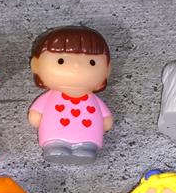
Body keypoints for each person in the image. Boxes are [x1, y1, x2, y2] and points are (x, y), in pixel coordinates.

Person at [28, 26, 113, 163]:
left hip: (88, 135)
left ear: (107, 70)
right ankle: (55, 147)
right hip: (54, 134)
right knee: (56, 145)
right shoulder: (50, 97)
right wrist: (36, 114)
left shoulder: (94, 100)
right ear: (36, 65)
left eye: (91, 62)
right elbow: (36, 114)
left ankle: (86, 149)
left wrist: (106, 119)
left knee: (86, 146)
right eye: (61, 61)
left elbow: (106, 119)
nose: (76, 67)